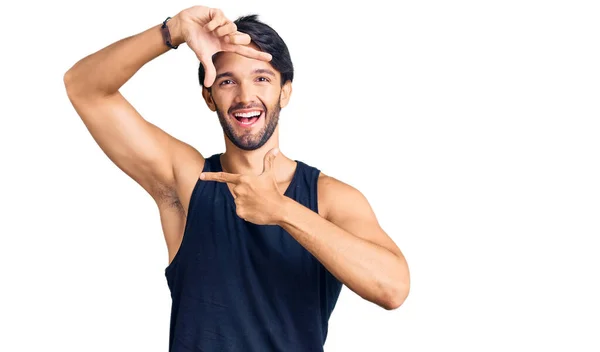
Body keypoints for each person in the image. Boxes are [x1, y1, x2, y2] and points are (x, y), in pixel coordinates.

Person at [64, 5, 410, 352]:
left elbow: (392, 289)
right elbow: (83, 87)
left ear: (284, 92)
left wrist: (281, 210)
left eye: (262, 78)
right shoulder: (186, 182)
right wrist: (172, 32)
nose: (245, 97)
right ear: (208, 96)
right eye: (228, 81)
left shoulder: (330, 198)